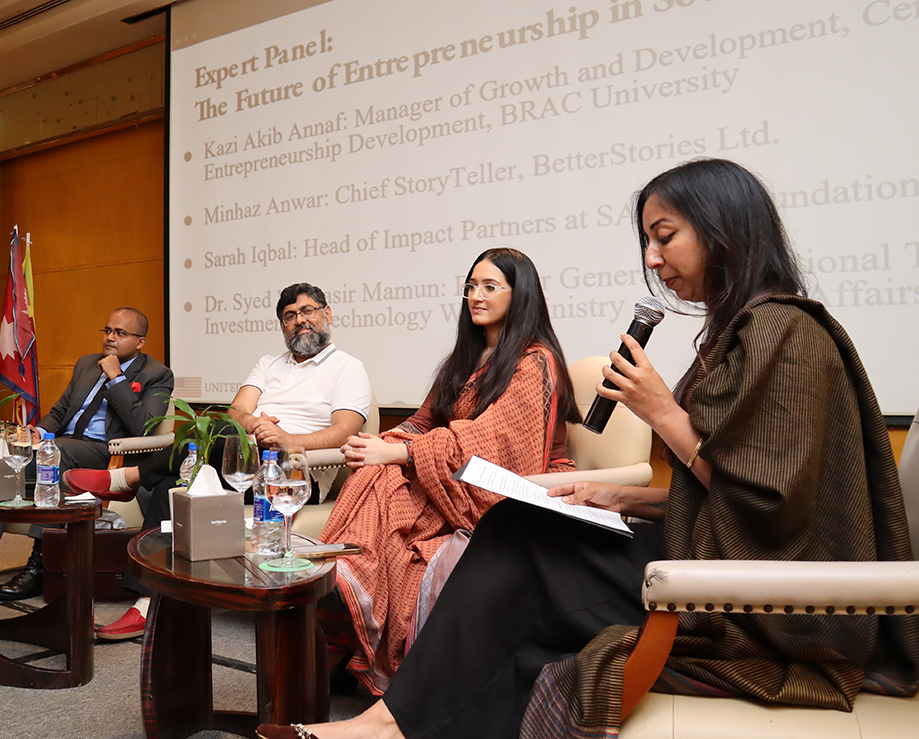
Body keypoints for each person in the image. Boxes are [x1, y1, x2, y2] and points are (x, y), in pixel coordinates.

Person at [257, 159, 919, 739]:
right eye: (648, 243)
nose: (654, 261)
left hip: (759, 598)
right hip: (712, 549)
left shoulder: (787, 332)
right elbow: (722, 490)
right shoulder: (742, 329)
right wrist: (617, 494)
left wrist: (660, 408)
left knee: (521, 548)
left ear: (726, 230)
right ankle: (392, 718)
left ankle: (389, 725)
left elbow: (772, 508)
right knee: (517, 524)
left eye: (666, 238)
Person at [314, 247, 581, 696]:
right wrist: (381, 443)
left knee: (390, 469)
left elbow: (494, 443)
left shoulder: (535, 361)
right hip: (456, 477)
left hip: (518, 486)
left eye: (490, 287)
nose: (476, 296)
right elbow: (423, 421)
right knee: (379, 467)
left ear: (521, 296)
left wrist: (398, 454)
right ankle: (350, 587)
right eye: (471, 286)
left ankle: (351, 581)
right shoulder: (468, 356)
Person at [66, 282, 372, 640]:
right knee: (174, 482)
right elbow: (237, 411)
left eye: (308, 311)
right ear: (282, 326)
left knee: (213, 431)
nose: (300, 321)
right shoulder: (268, 364)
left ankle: (128, 478)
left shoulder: (348, 368)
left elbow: (345, 431)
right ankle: (148, 605)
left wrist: (290, 440)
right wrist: (255, 424)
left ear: (326, 314)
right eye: (290, 316)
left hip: (291, 473)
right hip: (243, 461)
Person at [0, 307, 173, 601]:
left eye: (120, 333)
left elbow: (143, 426)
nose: (110, 338)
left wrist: (116, 379)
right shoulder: (86, 364)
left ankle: (43, 564)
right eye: (107, 330)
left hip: (109, 452)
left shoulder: (157, 374)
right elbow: (60, 411)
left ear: (140, 341)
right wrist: (38, 431)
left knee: (55, 454)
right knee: (4, 458)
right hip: (66, 443)